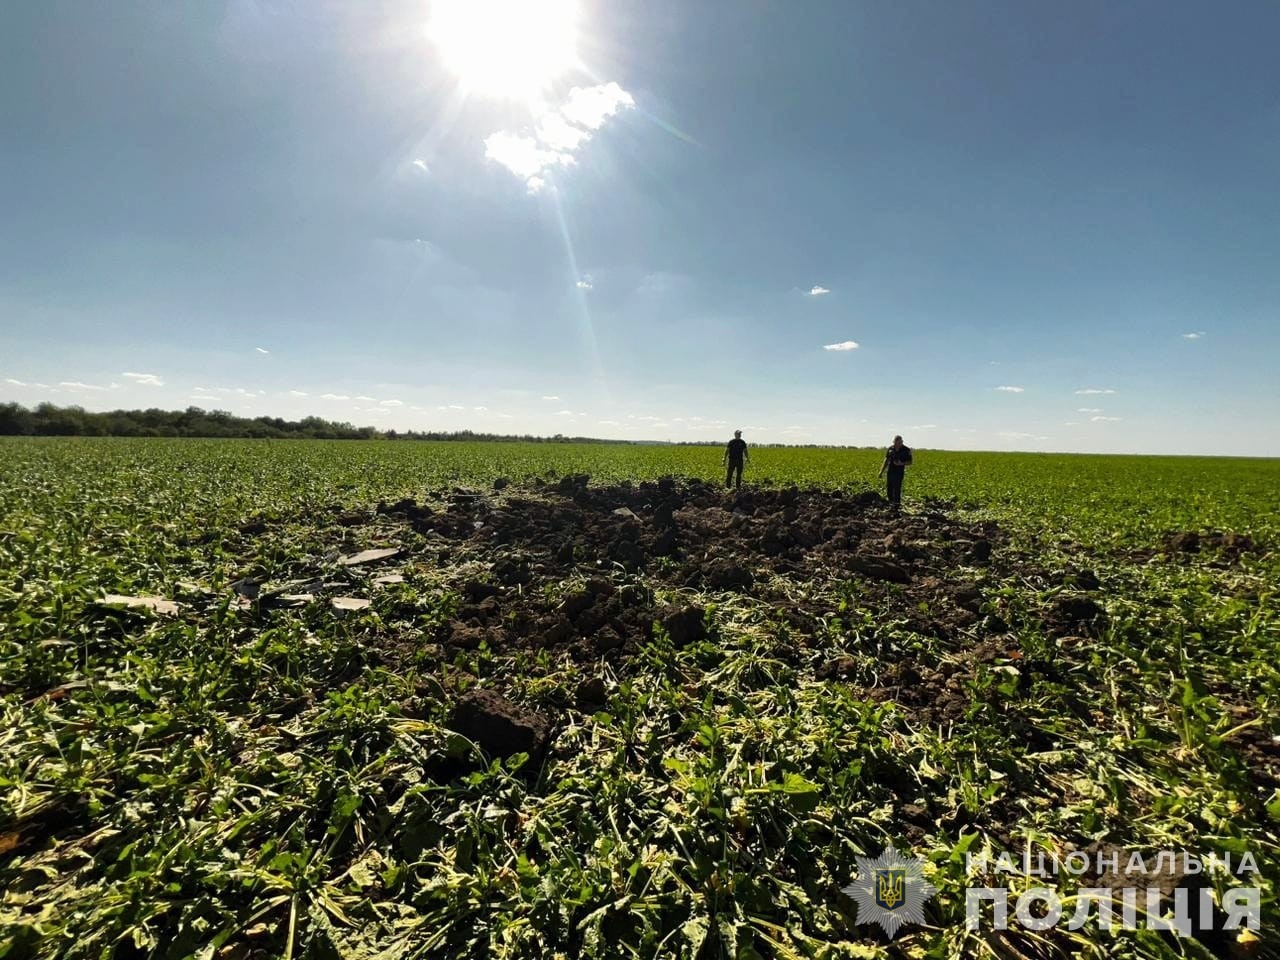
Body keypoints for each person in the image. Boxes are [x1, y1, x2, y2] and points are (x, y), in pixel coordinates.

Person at [879, 435, 912, 509]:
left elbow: (910, 462)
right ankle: (891, 503)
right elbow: (886, 460)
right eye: (895, 443)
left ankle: (897, 506)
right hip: (890, 472)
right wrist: (881, 471)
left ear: (901, 442)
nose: (896, 445)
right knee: (889, 488)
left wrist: (901, 463)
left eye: (898, 443)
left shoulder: (906, 450)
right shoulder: (890, 449)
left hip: (899, 473)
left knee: (897, 489)